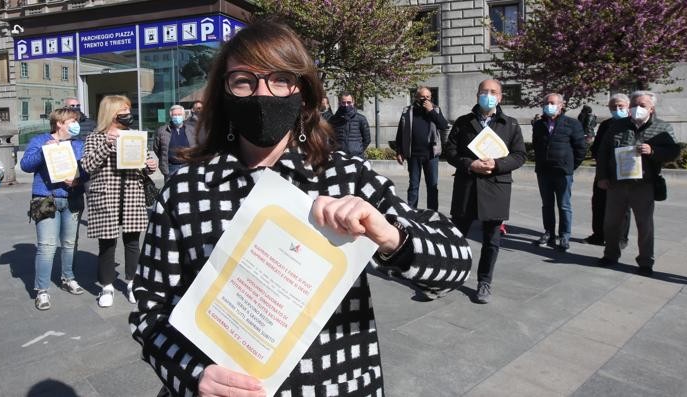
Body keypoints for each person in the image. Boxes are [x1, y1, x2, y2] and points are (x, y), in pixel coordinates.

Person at [128, 20, 471, 397]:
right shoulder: (187, 190)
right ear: (224, 94)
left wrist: (389, 235)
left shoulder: (345, 176)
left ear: (303, 93)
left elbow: (454, 260)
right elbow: (150, 309)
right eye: (243, 80)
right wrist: (192, 374)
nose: (262, 93)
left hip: (334, 384)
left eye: (280, 79)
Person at [444, 79, 526, 304]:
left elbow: (520, 155)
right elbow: (450, 151)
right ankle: (451, 275)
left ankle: (484, 282)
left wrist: (497, 165)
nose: (488, 96)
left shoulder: (510, 124)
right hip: (467, 186)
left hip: (496, 187)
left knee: (492, 240)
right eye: (484, 92)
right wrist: (469, 164)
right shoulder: (463, 122)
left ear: (500, 97)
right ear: (477, 95)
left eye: (493, 92)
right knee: (456, 237)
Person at [81, 95, 159, 308]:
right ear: (112, 113)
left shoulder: (134, 136)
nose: (129, 115)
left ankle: (133, 283)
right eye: (124, 111)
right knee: (107, 243)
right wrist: (106, 145)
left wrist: (149, 166)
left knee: (133, 241)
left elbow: (141, 165)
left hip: (132, 192)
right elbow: (87, 166)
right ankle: (106, 286)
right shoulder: (95, 137)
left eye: (129, 110)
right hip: (106, 195)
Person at [595, 91, 680, 275]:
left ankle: (645, 261)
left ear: (652, 108)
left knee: (645, 225)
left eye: (642, 105)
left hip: (644, 184)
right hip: (617, 183)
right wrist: (602, 176)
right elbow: (603, 152)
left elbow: (673, 152)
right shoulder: (617, 126)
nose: (637, 108)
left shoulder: (662, 127)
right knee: (611, 222)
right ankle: (610, 254)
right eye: (634, 104)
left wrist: (653, 150)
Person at [20, 107, 88, 310]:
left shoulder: (79, 144)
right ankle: (42, 290)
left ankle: (68, 278)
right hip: (45, 198)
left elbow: (87, 170)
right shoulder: (40, 140)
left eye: (77, 120)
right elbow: (26, 165)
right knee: (47, 246)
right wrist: (45, 151)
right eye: (72, 120)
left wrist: (78, 181)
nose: (76, 124)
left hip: (73, 198)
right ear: (59, 123)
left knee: (69, 243)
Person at [531, 93, 587, 251]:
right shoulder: (538, 124)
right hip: (544, 171)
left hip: (563, 172)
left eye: (553, 103)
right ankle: (549, 233)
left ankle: (564, 236)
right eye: (546, 103)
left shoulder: (572, 123)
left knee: (564, 205)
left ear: (561, 105)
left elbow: (581, 148)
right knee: (547, 205)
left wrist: (570, 166)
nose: (549, 105)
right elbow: (536, 146)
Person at [584, 94, 631, 247]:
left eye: (620, 106)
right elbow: (597, 147)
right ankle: (598, 234)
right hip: (604, 170)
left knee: (623, 207)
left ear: (628, 107)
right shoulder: (606, 125)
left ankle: (621, 238)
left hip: (624, 171)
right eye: (613, 107)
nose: (617, 109)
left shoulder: (632, 124)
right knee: (598, 203)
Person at [395, 86, 448, 211]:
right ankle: (412, 211)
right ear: (416, 97)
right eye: (422, 97)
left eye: (428, 97)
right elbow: (400, 133)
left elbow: (444, 125)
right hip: (413, 155)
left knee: (432, 186)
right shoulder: (407, 111)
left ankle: (432, 213)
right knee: (413, 185)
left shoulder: (436, 110)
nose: (425, 99)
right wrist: (399, 151)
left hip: (431, 155)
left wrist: (431, 111)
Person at [154, 104, 201, 180]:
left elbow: (196, 147)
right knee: (171, 190)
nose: (177, 117)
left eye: (179, 114)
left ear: (183, 116)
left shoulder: (191, 130)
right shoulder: (162, 131)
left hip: (188, 166)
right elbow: (157, 148)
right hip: (171, 167)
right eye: (174, 115)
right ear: (171, 116)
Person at [329, 92, 371, 157]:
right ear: (339, 103)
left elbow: (367, 139)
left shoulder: (361, 119)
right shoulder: (333, 119)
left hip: (357, 157)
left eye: (349, 102)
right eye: (343, 102)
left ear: (353, 102)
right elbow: (329, 138)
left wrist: (358, 150)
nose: (346, 105)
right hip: (339, 157)